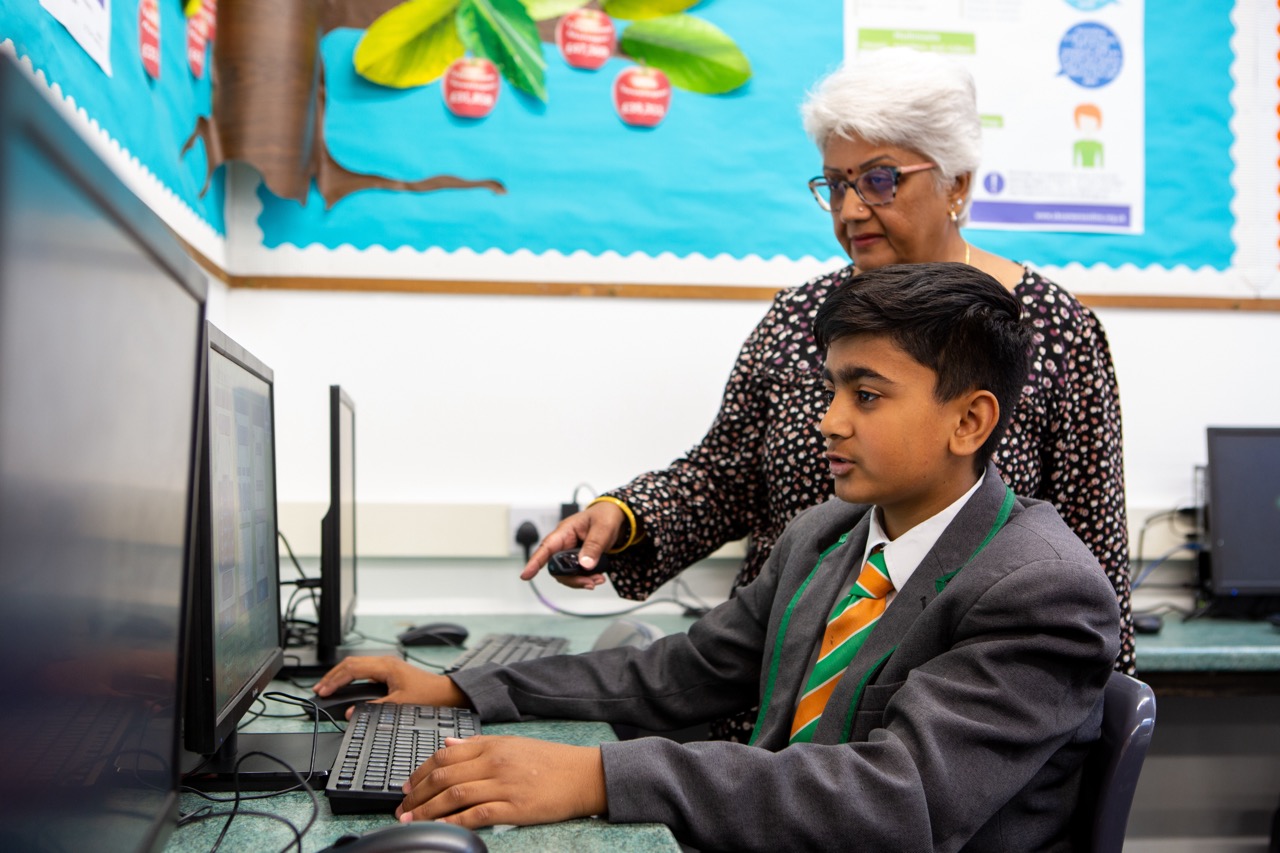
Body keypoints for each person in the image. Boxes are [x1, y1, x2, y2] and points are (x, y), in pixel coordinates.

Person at [316, 264, 1122, 852]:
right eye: (832, 389)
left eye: (865, 395)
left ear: (970, 421)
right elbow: (677, 674)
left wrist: (601, 776)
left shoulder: (1041, 589)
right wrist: (461, 687)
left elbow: (898, 801)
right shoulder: (829, 534)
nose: (828, 422)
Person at [521, 50, 1134, 710]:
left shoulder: (1050, 330)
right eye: (836, 185)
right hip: (765, 699)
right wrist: (626, 514)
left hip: (937, 718)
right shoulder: (799, 316)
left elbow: (1093, 547)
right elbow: (725, 475)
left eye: (879, 180)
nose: (851, 210)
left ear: (957, 182)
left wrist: (1090, 747)